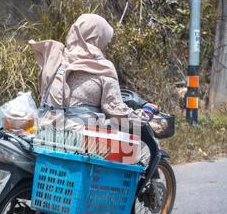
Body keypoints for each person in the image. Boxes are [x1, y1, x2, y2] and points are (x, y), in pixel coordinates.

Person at [29, 14, 158, 166]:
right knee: (142, 150)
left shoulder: (55, 58)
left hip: (45, 131)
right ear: (97, 37)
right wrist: (144, 114)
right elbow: (116, 110)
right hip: (77, 138)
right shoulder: (102, 67)